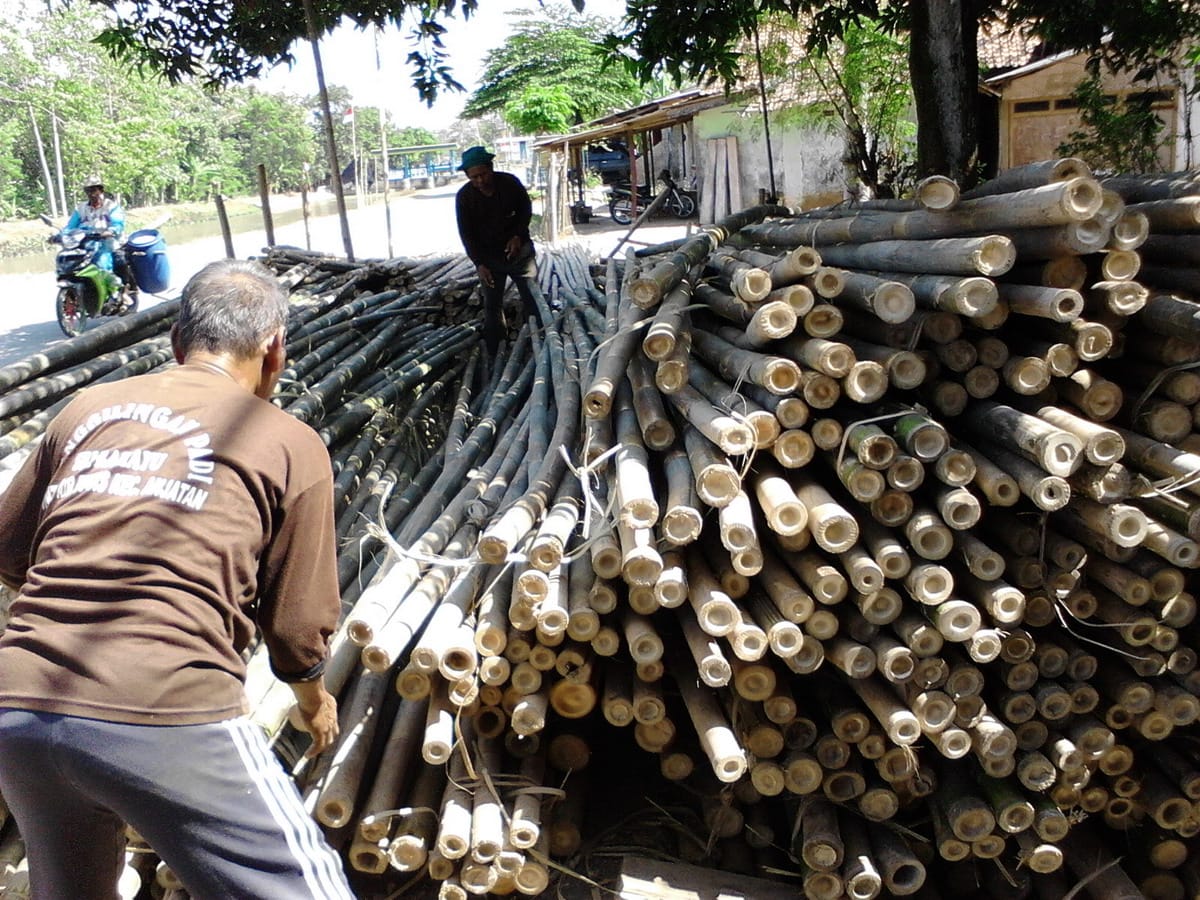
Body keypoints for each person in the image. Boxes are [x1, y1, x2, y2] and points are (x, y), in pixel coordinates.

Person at [0, 259, 354, 899]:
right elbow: (297, 625)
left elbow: (10, 551)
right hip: (167, 703)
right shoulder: (288, 440)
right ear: (274, 348)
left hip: (17, 706)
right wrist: (312, 699)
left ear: (176, 343)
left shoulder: (87, 407)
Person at [454, 145, 539, 357]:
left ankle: (540, 340)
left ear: (491, 168)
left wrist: (517, 235)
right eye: (474, 177)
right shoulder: (464, 197)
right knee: (492, 305)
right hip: (488, 257)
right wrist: (479, 263)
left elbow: (525, 210)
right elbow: (467, 234)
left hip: (519, 252)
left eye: (483, 174)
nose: (479, 181)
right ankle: (497, 352)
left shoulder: (509, 183)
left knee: (532, 298)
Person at [62, 173, 139, 307]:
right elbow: (70, 227)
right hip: (87, 246)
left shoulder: (111, 207)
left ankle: (120, 292)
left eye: (94, 189)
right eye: (88, 190)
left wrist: (111, 231)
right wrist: (60, 235)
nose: (92, 193)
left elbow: (118, 224)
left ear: (101, 190)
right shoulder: (81, 209)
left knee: (107, 263)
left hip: (110, 244)